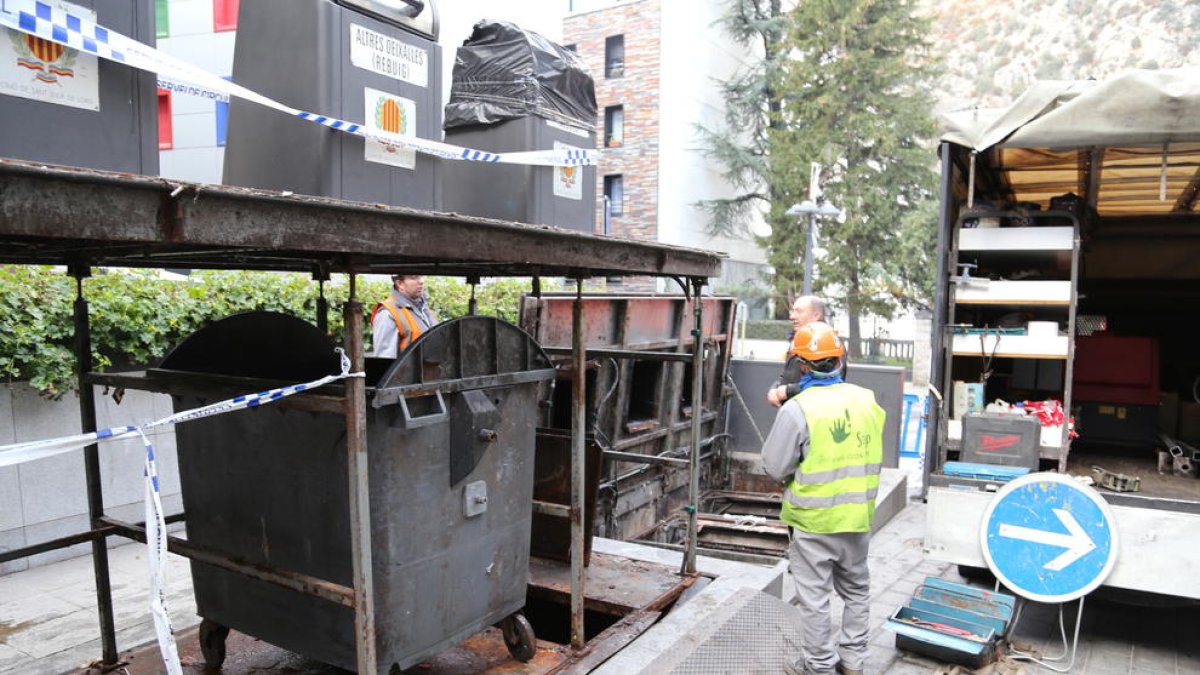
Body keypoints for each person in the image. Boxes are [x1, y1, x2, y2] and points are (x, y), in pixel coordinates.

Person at [761, 321, 885, 675]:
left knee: (814, 599)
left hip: (814, 522)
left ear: (800, 365)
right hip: (857, 518)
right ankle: (853, 662)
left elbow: (774, 466)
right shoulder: (866, 400)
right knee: (857, 591)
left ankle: (818, 666)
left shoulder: (797, 409)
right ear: (839, 359)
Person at [768, 295, 829, 408]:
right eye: (792, 311)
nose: (792, 316)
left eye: (799, 311)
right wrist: (775, 389)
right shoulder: (797, 340)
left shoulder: (830, 345)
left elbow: (827, 384)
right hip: (792, 411)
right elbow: (788, 374)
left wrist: (788, 390)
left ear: (816, 315)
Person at [371, 274, 439, 358]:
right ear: (400, 284)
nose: (421, 281)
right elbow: (385, 360)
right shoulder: (387, 313)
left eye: (421, 276)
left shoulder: (427, 311)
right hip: (409, 371)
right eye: (414, 277)